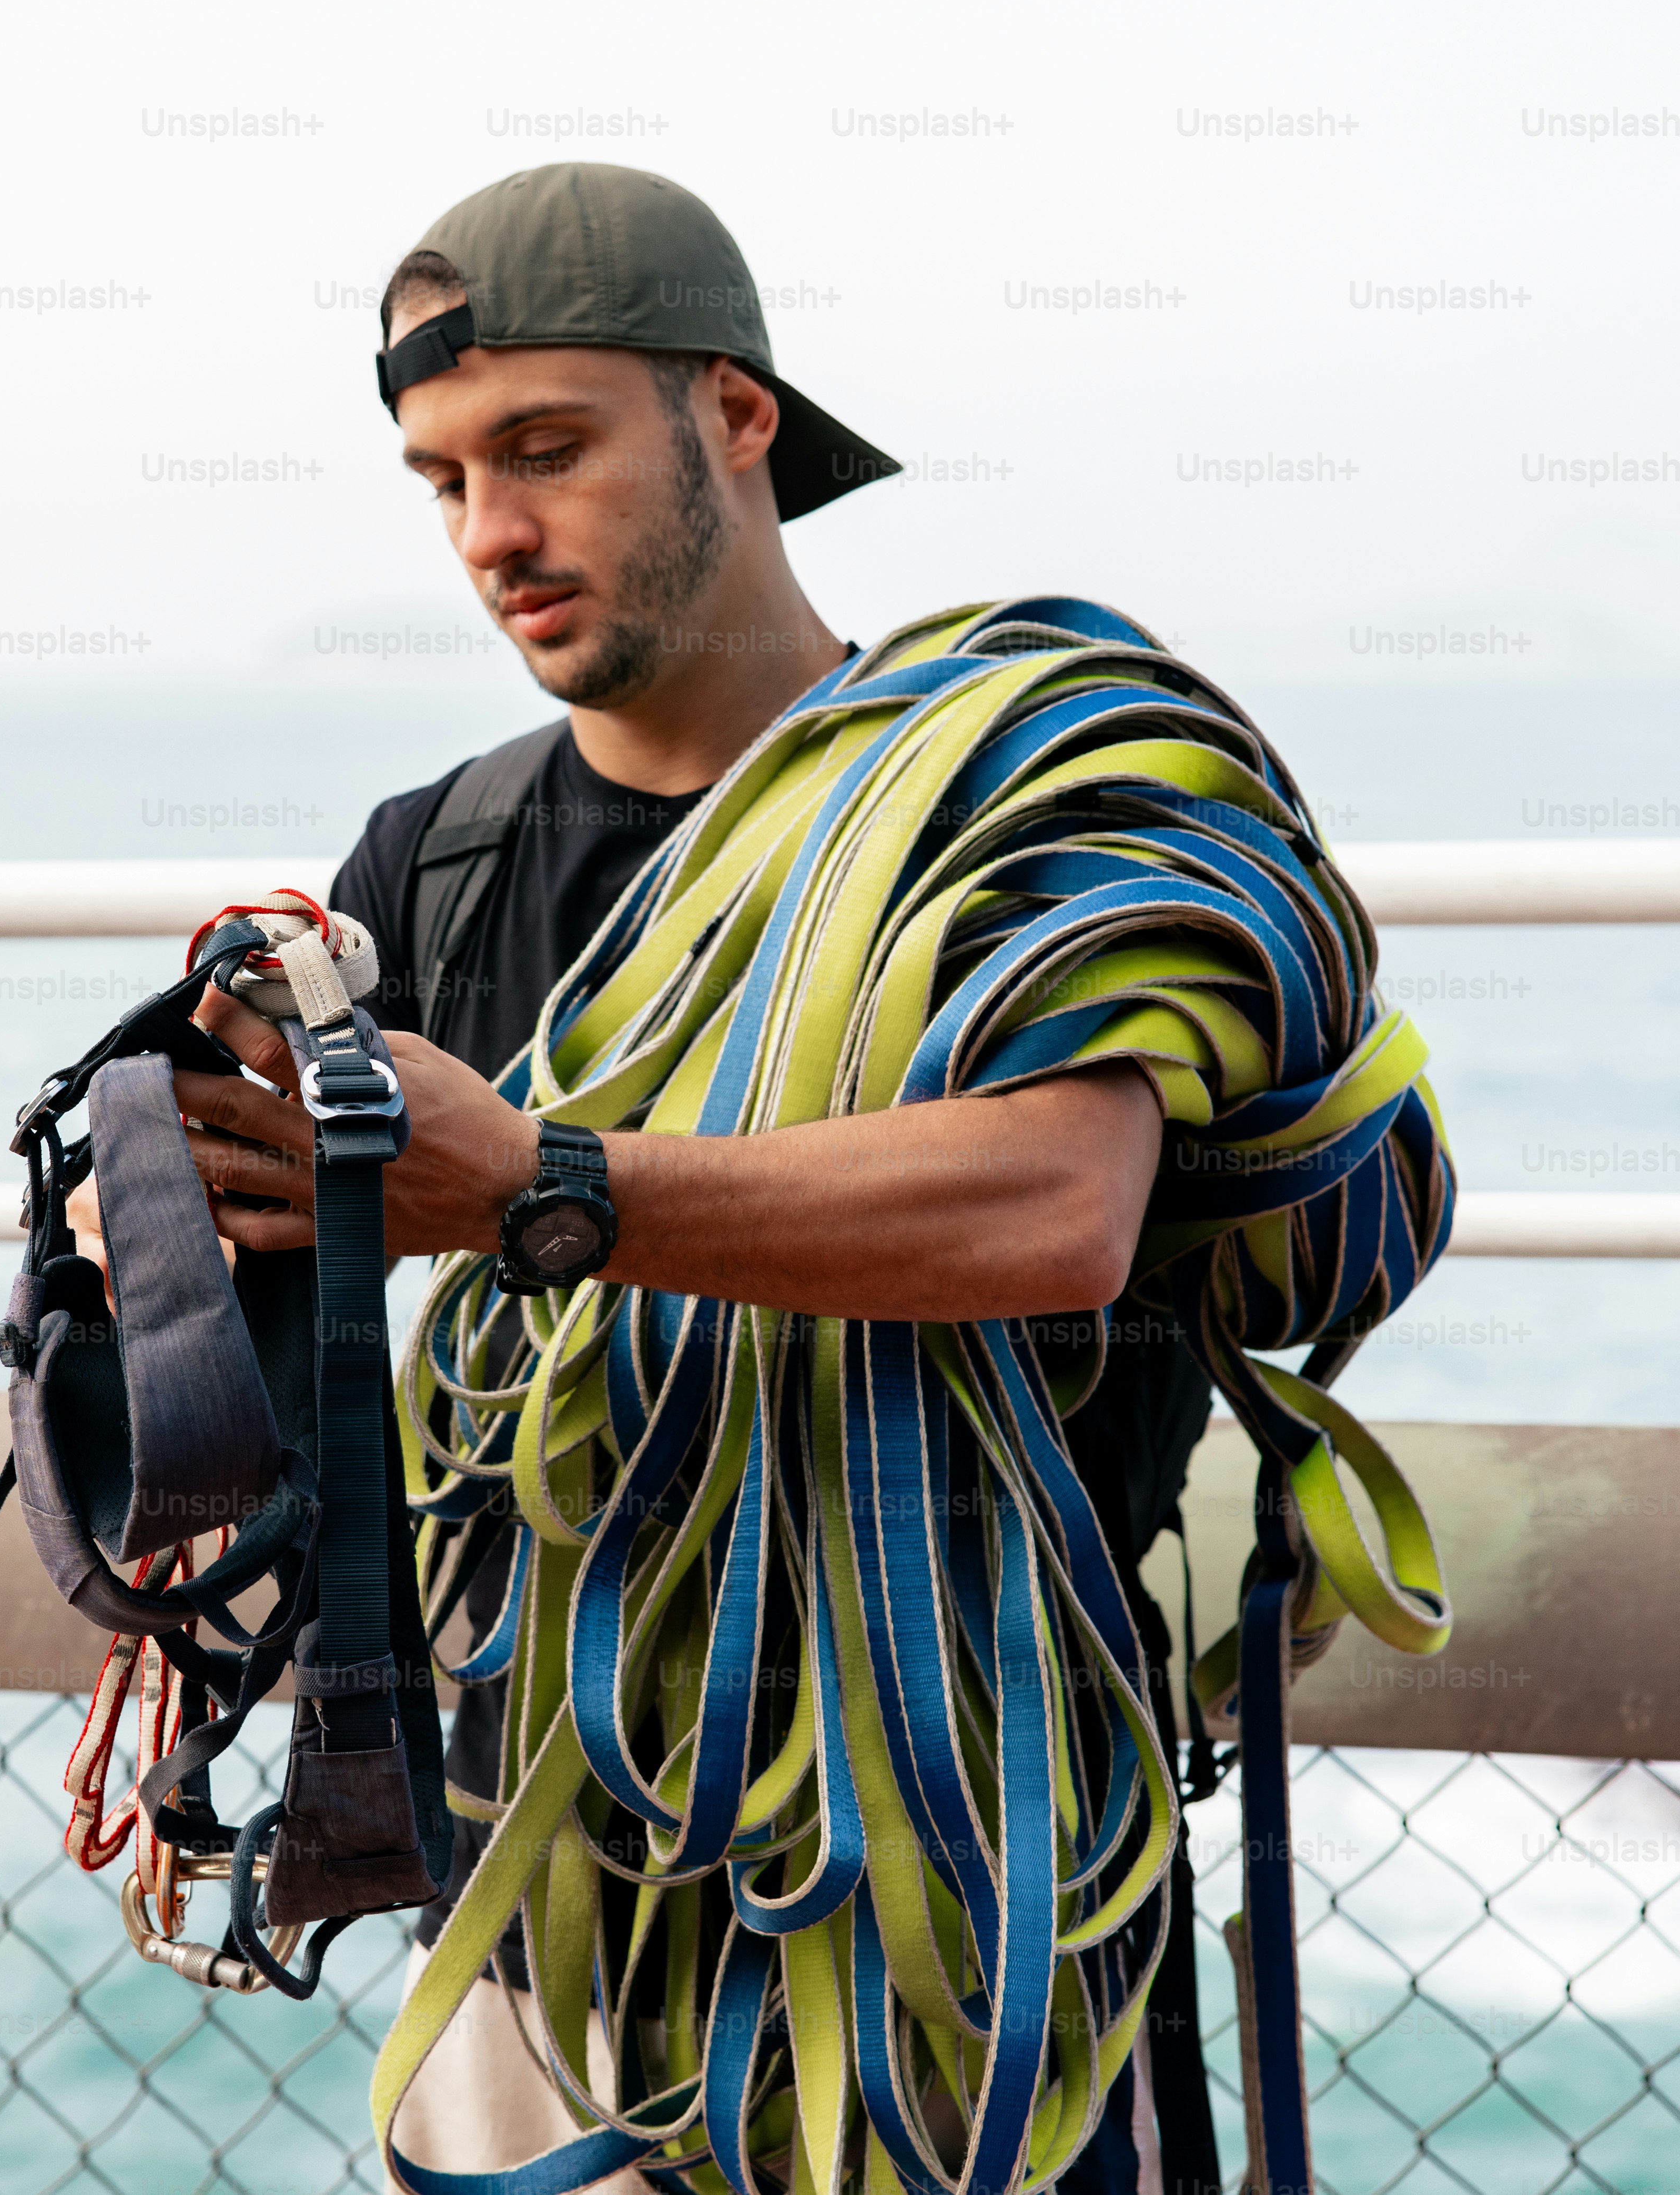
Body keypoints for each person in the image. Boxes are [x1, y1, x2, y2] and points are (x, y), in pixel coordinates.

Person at [165, 165, 1225, 2193]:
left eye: (544, 449)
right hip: (540, 1923)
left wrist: (541, 1187)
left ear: (736, 416)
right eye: (442, 476)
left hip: (967, 1915)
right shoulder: (436, 863)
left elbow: (1056, 1210)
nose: (491, 533)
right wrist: (165, 1231)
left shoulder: (1002, 791)